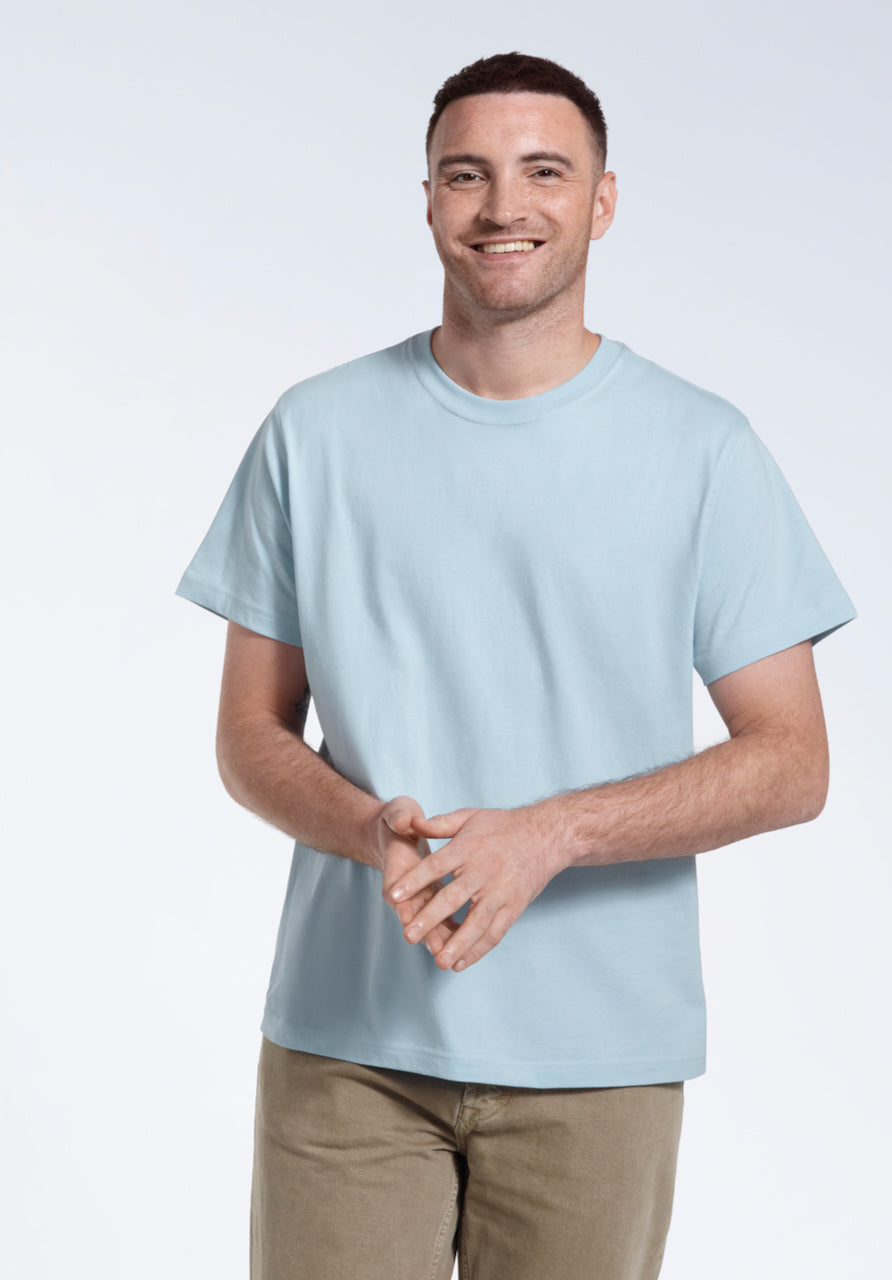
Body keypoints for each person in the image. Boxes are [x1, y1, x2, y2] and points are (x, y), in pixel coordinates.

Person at [177, 50, 855, 1280]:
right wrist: (361, 827)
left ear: (601, 201)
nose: (503, 207)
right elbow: (248, 733)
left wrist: (549, 834)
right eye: (466, 174)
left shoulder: (702, 449)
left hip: (598, 1056)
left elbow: (791, 761)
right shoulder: (313, 432)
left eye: (544, 171)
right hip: (348, 1046)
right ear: (428, 199)